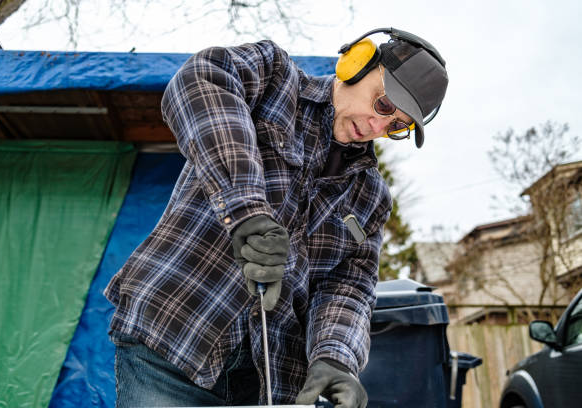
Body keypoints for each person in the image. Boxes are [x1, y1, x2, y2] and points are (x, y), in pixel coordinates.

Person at [104, 28, 448, 408]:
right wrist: (247, 212)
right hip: (172, 340)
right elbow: (199, 81)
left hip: (265, 380)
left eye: (397, 126)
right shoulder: (273, 79)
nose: (377, 128)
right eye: (383, 106)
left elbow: (348, 288)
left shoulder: (370, 197)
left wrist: (336, 358)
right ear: (357, 63)